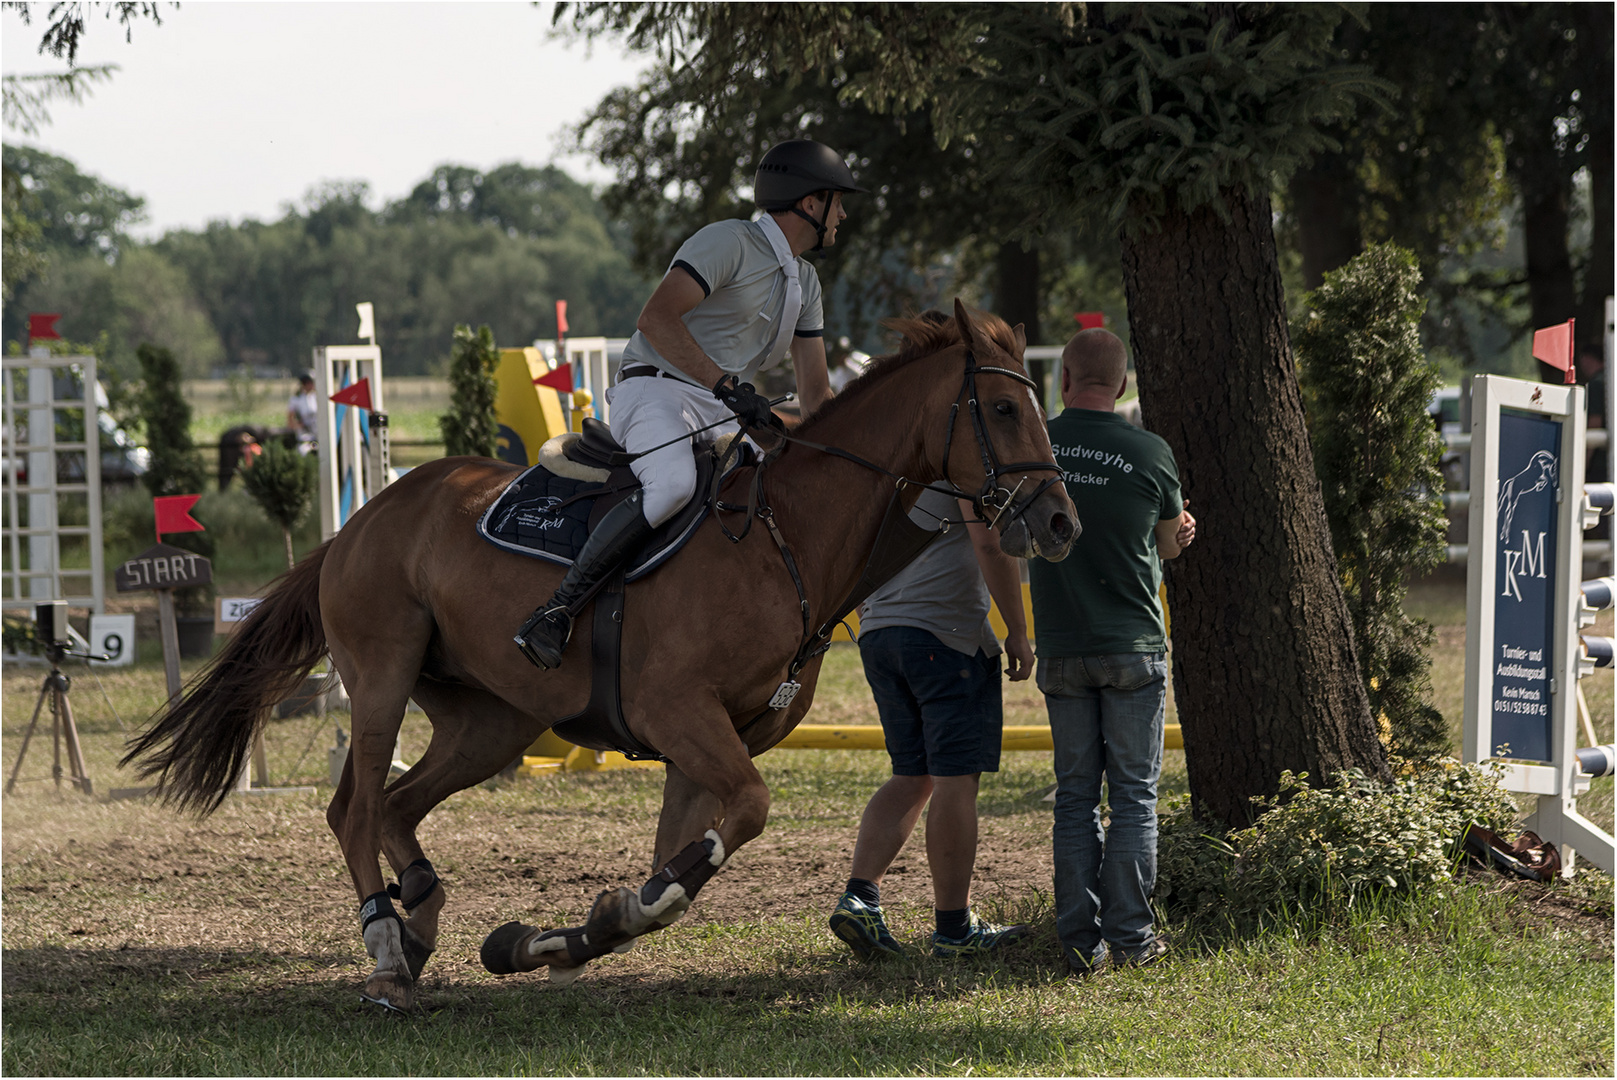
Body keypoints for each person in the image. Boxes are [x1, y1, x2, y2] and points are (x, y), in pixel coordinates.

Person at [514, 139, 865, 669]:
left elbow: (816, 394)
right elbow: (655, 318)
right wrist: (725, 386)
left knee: (781, 495)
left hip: (722, 407)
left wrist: (860, 453)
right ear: (810, 203)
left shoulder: (806, 282)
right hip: (653, 389)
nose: (844, 213)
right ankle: (558, 609)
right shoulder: (729, 241)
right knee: (674, 484)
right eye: (839, 201)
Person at [1029, 327, 1196, 976]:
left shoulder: (1035, 446)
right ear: (1121, 384)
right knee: (1132, 796)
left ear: (1063, 380)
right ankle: (1131, 939)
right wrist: (1181, 530)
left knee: (1073, 797)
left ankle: (1077, 942)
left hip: (1063, 647)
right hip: (1133, 645)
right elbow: (1170, 546)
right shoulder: (1149, 452)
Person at [829, 483, 1035, 959]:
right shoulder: (962, 468)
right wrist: (1018, 632)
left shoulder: (887, 468)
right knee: (954, 784)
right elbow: (987, 541)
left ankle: (861, 898)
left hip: (880, 632)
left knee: (912, 775)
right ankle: (954, 929)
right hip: (948, 637)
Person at [287, 373, 318, 439]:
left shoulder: (315, 397)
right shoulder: (296, 399)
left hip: (317, 431)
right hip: (304, 433)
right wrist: (297, 426)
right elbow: (290, 419)